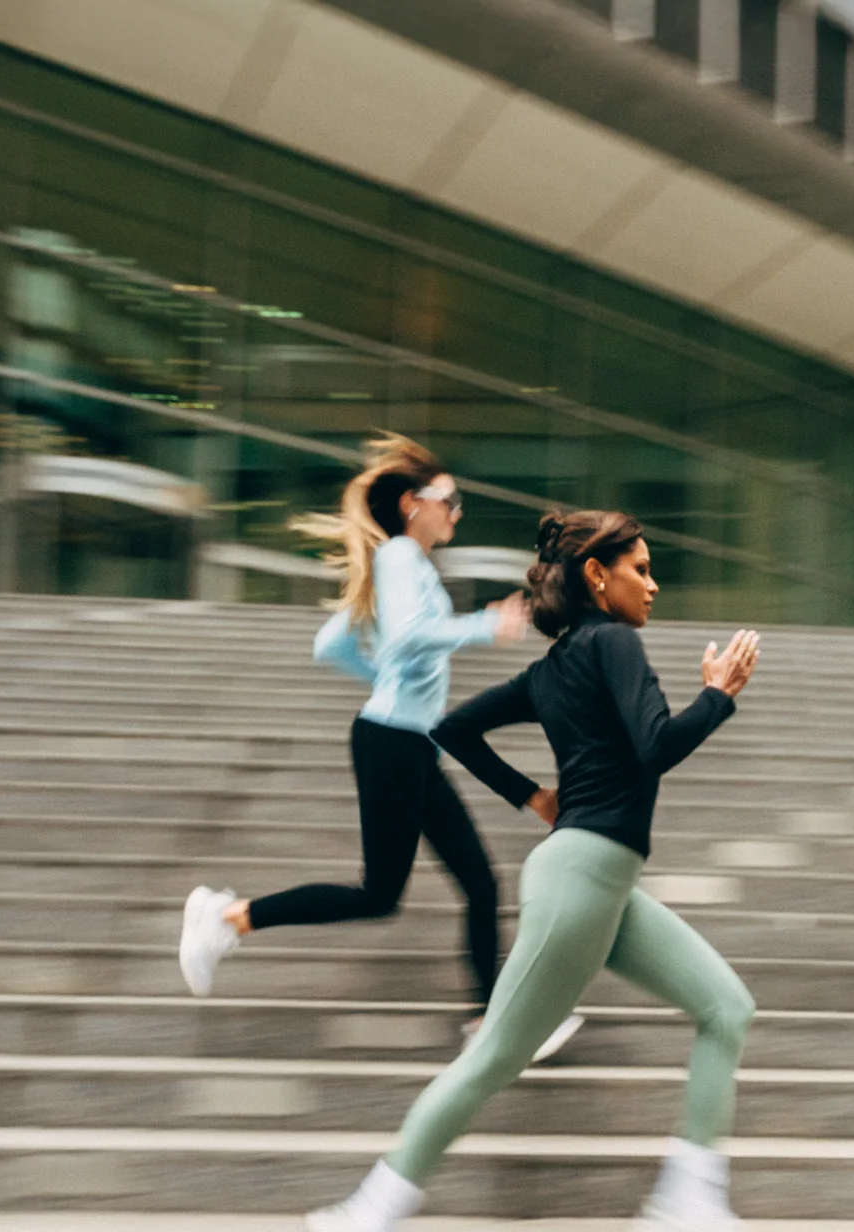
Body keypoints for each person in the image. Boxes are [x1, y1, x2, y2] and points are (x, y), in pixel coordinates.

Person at [306, 508, 777, 1232]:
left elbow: (454, 728)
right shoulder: (612, 643)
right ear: (598, 575)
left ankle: (690, 1202)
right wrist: (719, 696)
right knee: (492, 1055)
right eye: (640, 567)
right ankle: (367, 1218)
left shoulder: (560, 664)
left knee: (724, 1007)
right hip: (583, 875)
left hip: (601, 879)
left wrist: (532, 797)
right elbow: (658, 745)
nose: (653, 582)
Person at [177, 436, 578, 1058]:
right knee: (384, 893)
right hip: (393, 744)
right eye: (451, 499)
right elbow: (408, 637)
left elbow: (332, 644)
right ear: (412, 503)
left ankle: (491, 1021)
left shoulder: (404, 566)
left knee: (475, 881)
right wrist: (482, 626)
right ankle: (227, 917)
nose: (458, 510)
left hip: (410, 745)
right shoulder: (397, 559)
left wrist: (391, 678)